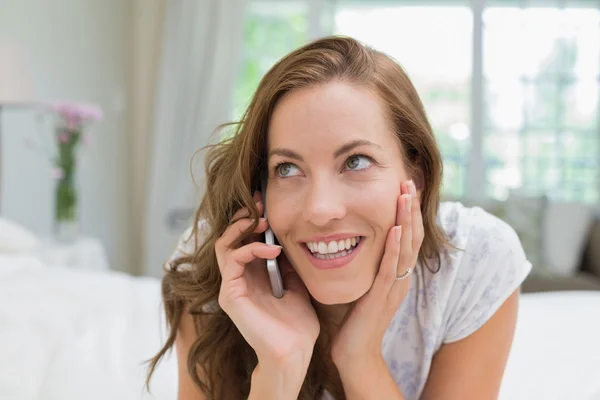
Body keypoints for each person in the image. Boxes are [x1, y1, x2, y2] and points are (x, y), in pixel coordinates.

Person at [146, 36, 532, 400]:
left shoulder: (474, 261)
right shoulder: (219, 269)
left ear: (415, 177)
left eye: (356, 162)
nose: (320, 209)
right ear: (260, 189)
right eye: (287, 169)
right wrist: (279, 370)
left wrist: (359, 357)